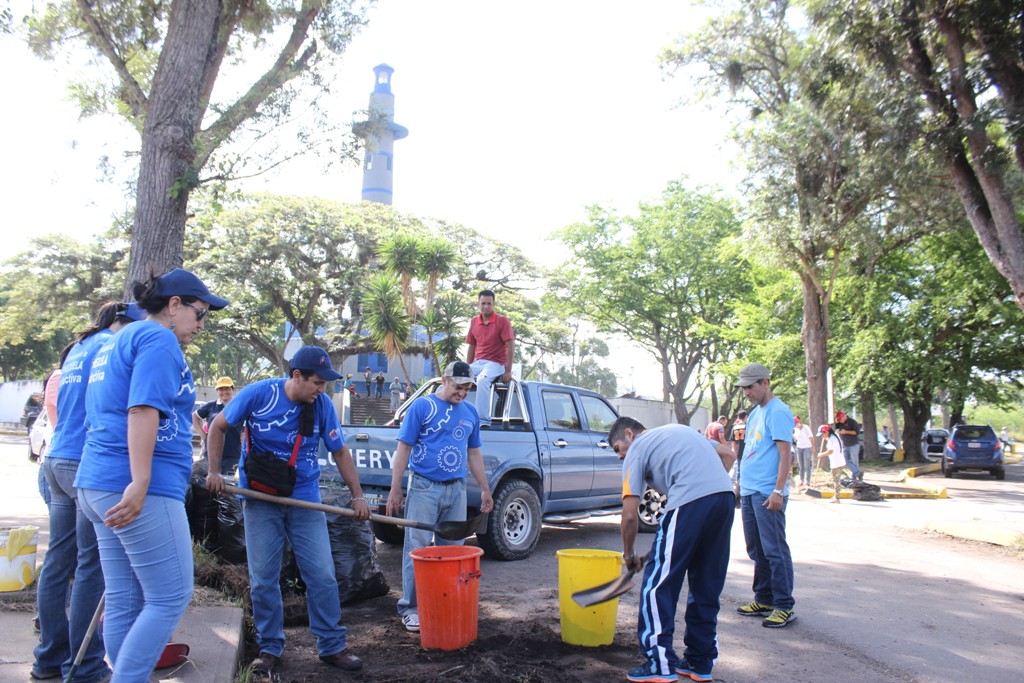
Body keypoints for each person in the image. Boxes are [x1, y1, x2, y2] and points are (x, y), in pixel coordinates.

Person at [76, 268, 227, 680]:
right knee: (171, 595)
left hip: (99, 481)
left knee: (125, 598)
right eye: (200, 313)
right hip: (139, 487)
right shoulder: (157, 338)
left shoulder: (117, 338)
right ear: (173, 305)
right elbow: (142, 409)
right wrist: (140, 482)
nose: (201, 324)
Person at [205, 345, 370, 678]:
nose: (322, 390)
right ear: (297, 376)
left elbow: (340, 453)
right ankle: (270, 647)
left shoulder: (321, 405)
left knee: (322, 575)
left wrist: (358, 496)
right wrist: (213, 472)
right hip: (259, 496)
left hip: (304, 497)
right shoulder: (259, 394)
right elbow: (218, 427)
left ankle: (332, 645)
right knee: (264, 578)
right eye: (317, 383)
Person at [33, 302, 144, 683]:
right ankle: (85, 667)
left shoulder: (79, 347)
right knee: (90, 567)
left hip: (56, 458)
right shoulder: (110, 346)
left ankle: (48, 659)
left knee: (57, 563)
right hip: (85, 464)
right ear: (120, 324)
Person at [611, 417, 736, 683]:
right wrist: (708, 487)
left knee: (658, 584)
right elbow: (727, 454)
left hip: (690, 501)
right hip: (724, 498)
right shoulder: (678, 431)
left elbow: (630, 516)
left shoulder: (637, 448)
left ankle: (659, 662)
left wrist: (629, 554)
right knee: (706, 582)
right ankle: (699, 662)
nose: (621, 456)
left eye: (617, 449)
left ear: (630, 434)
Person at [386, 361, 494, 633]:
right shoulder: (422, 407)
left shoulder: (470, 412)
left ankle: (447, 603)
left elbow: (474, 453)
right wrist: (395, 488)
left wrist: (485, 488)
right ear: (444, 381)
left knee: (452, 551)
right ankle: (411, 608)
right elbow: (403, 448)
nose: (462, 393)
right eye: (458, 387)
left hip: (455, 489)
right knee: (418, 548)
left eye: (467, 388)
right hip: (424, 487)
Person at [734, 362, 797, 628]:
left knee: (774, 550)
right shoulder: (754, 413)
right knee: (756, 549)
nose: (746, 391)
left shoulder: (778, 411)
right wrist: (738, 484)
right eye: (744, 387)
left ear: (765, 383)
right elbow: (750, 451)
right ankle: (764, 598)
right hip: (749, 490)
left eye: (750, 386)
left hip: (767, 492)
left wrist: (778, 491)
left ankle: (784, 605)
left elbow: (786, 455)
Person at [465, 289, 515, 426]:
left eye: (489, 303)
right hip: (478, 363)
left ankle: (482, 420)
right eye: (483, 303)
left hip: (496, 364)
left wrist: (508, 371)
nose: (486, 306)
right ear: (478, 304)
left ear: (494, 304)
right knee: (455, 374)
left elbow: (510, 346)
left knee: (482, 379)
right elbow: (471, 346)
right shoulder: (474, 321)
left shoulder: (502, 321)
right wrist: (466, 368)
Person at [192, 376, 241, 474]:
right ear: (217, 391)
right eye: (221, 389)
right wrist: (203, 434)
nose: (224, 392)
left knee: (227, 484)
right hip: (211, 454)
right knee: (208, 484)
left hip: (232, 454)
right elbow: (195, 416)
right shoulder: (211, 406)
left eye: (227, 388)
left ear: (233, 390)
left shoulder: (239, 406)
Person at [817, 425, 847, 503]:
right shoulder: (834, 436)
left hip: (836, 462)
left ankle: (837, 498)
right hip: (839, 461)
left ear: (827, 432)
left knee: (836, 480)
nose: (822, 436)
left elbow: (830, 451)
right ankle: (836, 496)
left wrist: (821, 454)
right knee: (836, 480)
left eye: (822, 434)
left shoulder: (832, 439)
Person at [834, 411, 862, 480]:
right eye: (839, 420)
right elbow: (833, 426)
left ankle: (855, 477)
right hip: (845, 445)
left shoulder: (852, 422)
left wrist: (845, 432)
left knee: (854, 461)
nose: (840, 421)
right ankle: (858, 473)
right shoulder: (840, 423)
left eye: (841, 419)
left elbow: (856, 432)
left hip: (853, 445)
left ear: (844, 416)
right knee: (844, 460)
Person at [730, 410, 748, 508]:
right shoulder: (747, 427)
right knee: (745, 473)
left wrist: (735, 451)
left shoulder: (735, 427)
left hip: (739, 452)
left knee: (739, 473)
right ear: (745, 417)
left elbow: (733, 442)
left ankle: (737, 493)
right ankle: (740, 494)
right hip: (747, 452)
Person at [792, 416, 814, 490]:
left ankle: (807, 481)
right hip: (799, 448)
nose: (797, 425)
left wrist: (813, 448)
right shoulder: (795, 430)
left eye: (797, 422)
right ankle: (801, 480)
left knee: (807, 464)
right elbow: (795, 439)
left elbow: (811, 437)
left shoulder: (806, 428)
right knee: (801, 465)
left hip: (807, 447)